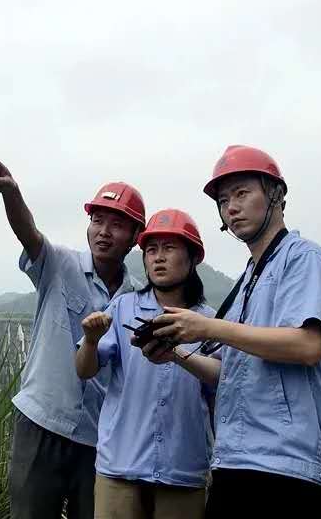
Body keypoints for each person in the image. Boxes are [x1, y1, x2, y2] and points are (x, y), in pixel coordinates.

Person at [149, 145, 321, 518]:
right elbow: (229, 373)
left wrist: (209, 327)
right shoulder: (247, 281)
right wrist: (175, 354)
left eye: (242, 193)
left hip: (290, 464)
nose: (232, 208)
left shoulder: (304, 259)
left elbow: (308, 346)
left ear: (275, 193)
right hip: (237, 457)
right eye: (223, 201)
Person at [0, 147, 146, 519]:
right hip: (41, 424)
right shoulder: (59, 265)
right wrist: (11, 193)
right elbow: (29, 233)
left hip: (98, 438)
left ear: (136, 236)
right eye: (98, 220)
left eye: (117, 224)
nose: (104, 232)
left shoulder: (136, 298)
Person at [75, 209, 217, 519]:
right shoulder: (122, 308)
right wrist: (91, 341)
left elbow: (221, 384)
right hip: (119, 467)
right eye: (151, 250)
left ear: (193, 257)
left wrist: (178, 356)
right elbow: (84, 370)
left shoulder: (209, 322)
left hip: (183, 470)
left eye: (169, 248)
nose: (158, 258)